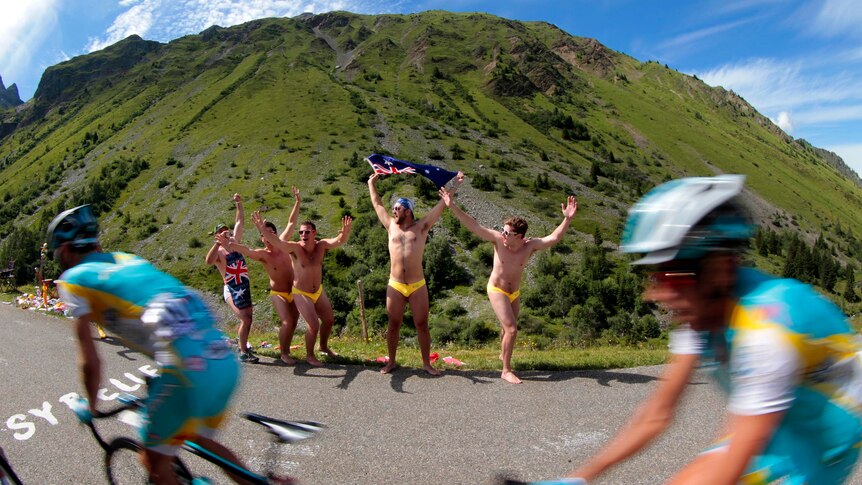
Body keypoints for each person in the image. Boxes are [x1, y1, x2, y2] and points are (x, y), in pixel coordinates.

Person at [553, 175, 862, 484]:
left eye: (671, 277)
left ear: (720, 269)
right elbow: (656, 414)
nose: (655, 294)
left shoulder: (766, 331)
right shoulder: (701, 307)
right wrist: (579, 477)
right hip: (778, 420)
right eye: (655, 275)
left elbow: (728, 470)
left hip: (826, 440)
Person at [48, 205, 250, 484]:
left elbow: (90, 361)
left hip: (186, 371)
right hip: (222, 359)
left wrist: (91, 405)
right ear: (96, 241)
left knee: (152, 461)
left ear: (66, 251)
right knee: (197, 437)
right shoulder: (127, 259)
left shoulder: (73, 280)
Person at [440, 178, 577, 384]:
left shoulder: (529, 246)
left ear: (520, 236)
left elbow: (553, 238)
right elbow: (474, 226)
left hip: (515, 292)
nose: (503, 234)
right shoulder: (498, 240)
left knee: (506, 329)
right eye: (503, 230)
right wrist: (452, 205)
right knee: (512, 329)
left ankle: (502, 354)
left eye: (508, 233)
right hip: (497, 289)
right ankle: (506, 370)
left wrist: (567, 219)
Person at [233, 211, 352, 367]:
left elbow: (338, 241)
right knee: (311, 324)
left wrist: (345, 232)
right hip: (301, 292)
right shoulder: (294, 248)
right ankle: (308, 356)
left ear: (314, 233)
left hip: (317, 291)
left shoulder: (321, 245)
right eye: (301, 232)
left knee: (329, 320)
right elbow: (277, 242)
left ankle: (323, 347)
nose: (303, 234)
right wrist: (262, 230)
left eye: (307, 232)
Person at [368, 172, 457, 375]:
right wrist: (371, 183)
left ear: (408, 211)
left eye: (397, 208)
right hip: (395, 284)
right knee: (393, 324)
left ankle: (426, 363)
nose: (394, 210)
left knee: (422, 325)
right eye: (394, 208)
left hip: (417, 285)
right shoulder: (391, 226)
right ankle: (391, 362)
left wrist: (456, 184)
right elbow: (377, 205)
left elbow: (442, 205)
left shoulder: (421, 227)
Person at [214, 187, 302, 364]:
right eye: (264, 234)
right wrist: (230, 244)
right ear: (262, 237)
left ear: (275, 234)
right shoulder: (263, 254)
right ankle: (283, 353)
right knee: (286, 321)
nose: (268, 236)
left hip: (294, 290)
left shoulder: (284, 242)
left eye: (271, 232)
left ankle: (285, 350)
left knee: (293, 322)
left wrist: (298, 202)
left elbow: (292, 222)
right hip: (278, 293)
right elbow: (246, 250)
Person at [205, 193, 257, 363]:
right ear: (216, 235)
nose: (224, 232)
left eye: (225, 230)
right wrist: (217, 243)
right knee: (245, 318)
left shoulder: (235, 241)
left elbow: (240, 221)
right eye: (220, 232)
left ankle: (242, 345)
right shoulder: (218, 251)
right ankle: (243, 352)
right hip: (231, 288)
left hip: (243, 285)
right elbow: (208, 261)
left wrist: (239, 203)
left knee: (248, 319)